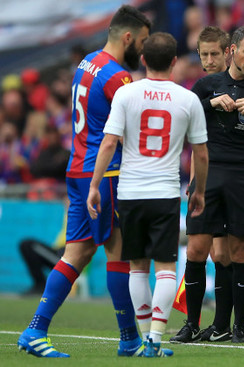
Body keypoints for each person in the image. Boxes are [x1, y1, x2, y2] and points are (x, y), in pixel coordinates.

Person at [17, 5, 151, 358]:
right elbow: (132, 131)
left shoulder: (87, 61)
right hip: (104, 174)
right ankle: (129, 340)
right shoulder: (118, 77)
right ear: (127, 37)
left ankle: (35, 330)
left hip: (78, 170)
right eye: (142, 42)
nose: (143, 49)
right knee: (118, 254)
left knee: (75, 253)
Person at [87, 32, 209, 357]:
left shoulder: (126, 94)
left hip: (130, 191)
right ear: (173, 62)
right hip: (165, 192)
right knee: (166, 267)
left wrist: (95, 185)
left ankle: (143, 341)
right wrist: (199, 190)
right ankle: (156, 338)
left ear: (142, 59)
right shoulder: (188, 99)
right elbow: (201, 153)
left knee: (137, 267)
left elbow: (109, 142)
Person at [171, 25, 244, 344]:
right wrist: (212, 104)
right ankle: (191, 323)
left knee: (237, 252)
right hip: (207, 174)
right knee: (197, 249)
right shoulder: (207, 86)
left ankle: (238, 326)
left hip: (243, 177)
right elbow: (182, 120)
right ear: (232, 50)